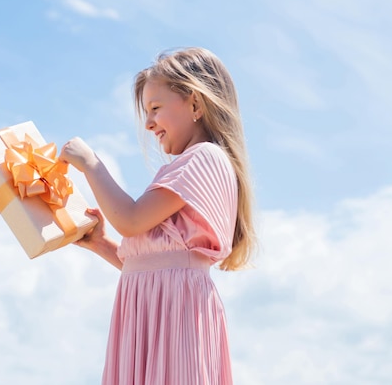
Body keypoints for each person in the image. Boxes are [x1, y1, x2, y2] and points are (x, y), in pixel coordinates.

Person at [59, 47, 255, 385]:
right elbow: (160, 267)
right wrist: (103, 244)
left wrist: (91, 163)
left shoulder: (203, 157)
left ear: (195, 104)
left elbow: (131, 220)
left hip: (173, 317)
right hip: (162, 312)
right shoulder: (197, 163)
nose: (148, 123)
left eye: (155, 108)